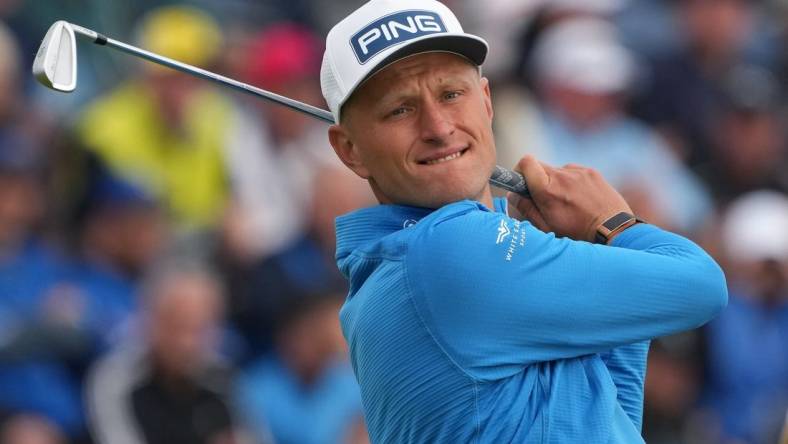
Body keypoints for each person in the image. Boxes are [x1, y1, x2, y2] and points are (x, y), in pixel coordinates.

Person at [320, 0, 728, 442]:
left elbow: (614, 419)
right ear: (350, 149)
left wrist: (592, 241)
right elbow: (702, 286)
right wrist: (613, 223)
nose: (438, 126)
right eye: (400, 108)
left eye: (451, 94)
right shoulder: (447, 251)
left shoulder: (437, 257)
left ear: (487, 102)